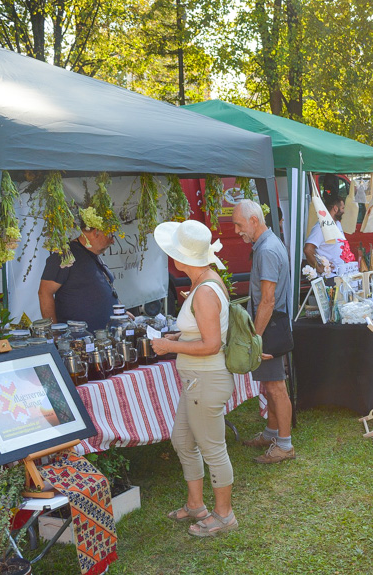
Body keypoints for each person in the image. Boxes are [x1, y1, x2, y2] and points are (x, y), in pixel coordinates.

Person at [150, 219, 238, 537]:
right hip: (198, 381)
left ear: (180, 257)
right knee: (183, 440)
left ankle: (224, 515)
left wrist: (169, 345)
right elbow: (204, 332)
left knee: (213, 448)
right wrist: (180, 334)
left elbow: (212, 343)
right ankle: (196, 505)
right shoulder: (206, 282)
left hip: (205, 380)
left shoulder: (203, 290)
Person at [231, 200, 296, 463]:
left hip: (269, 325)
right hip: (270, 324)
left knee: (276, 386)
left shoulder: (267, 249)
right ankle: (272, 433)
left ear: (254, 221)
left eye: (238, 224)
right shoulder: (268, 244)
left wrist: (255, 338)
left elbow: (267, 300)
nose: (236, 230)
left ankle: (285, 445)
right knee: (270, 385)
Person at [38, 208, 120, 332]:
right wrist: (54, 331)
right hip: (78, 340)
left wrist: (120, 312)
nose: (113, 241)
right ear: (96, 231)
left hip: (103, 337)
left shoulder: (94, 256)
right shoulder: (65, 255)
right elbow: (44, 293)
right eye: (110, 235)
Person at [304, 194, 355, 284]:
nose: (344, 211)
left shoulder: (337, 224)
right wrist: (319, 267)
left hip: (341, 275)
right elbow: (308, 249)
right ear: (335, 208)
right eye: (342, 208)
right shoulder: (321, 227)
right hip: (330, 278)